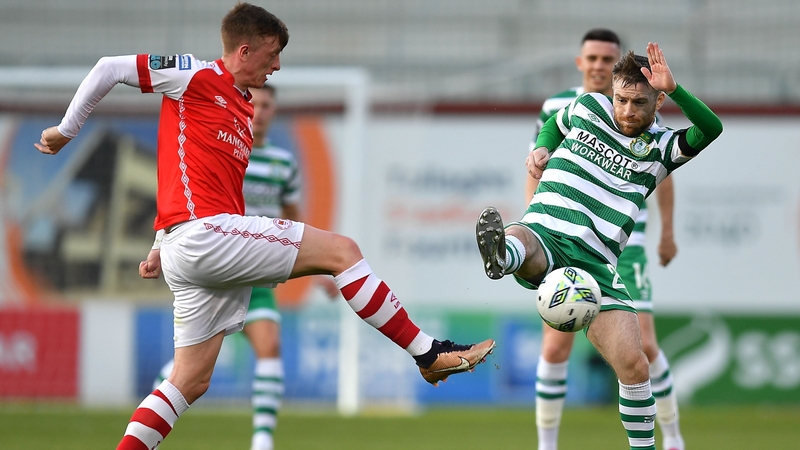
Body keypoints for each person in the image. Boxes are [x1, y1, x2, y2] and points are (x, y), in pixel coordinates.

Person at [34, 4, 495, 449]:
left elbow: (183, 174)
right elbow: (109, 67)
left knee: (189, 381)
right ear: (245, 51)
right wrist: (66, 130)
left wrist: (159, 242)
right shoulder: (194, 75)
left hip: (190, 245)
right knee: (343, 252)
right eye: (272, 55)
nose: (277, 66)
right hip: (204, 237)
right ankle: (428, 353)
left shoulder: (240, 107)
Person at [476, 42, 722, 450]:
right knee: (522, 236)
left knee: (635, 364)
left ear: (658, 101)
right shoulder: (590, 107)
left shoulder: (662, 149)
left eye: (639, 102)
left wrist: (676, 88)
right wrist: (542, 147)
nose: (627, 111)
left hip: (597, 264)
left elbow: (711, 129)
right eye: (621, 99)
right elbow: (554, 123)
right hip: (548, 229)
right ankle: (503, 255)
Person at [149, 83, 338, 450]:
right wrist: (159, 245)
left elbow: (294, 220)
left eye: (268, 105)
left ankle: (262, 441)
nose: (260, 112)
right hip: (219, 267)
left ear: (274, 111)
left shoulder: (283, 164)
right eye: (256, 104)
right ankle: (151, 419)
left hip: (257, 274)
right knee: (188, 371)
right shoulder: (225, 151)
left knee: (270, 345)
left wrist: (319, 268)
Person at [526, 30, 684, 450]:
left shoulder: (642, 110)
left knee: (644, 345)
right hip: (564, 233)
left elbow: (665, 174)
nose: (598, 65)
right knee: (555, 347)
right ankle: (546, 445)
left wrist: (667, 231)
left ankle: (672, 438)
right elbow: (538, 163)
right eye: (592, 58)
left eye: (606, 58)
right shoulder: (560, 106)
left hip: (623, 242)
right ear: (580, 63)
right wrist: (535, 226)